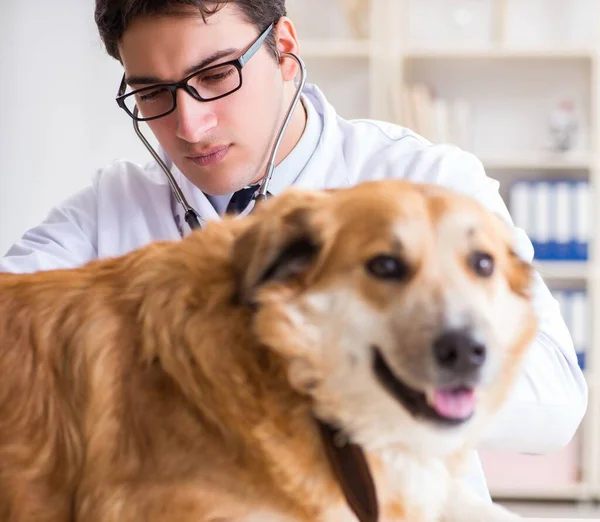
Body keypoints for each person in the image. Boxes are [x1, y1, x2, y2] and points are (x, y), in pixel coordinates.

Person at [0, 0, 587, 501]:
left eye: (216, 75)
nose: (191, 125)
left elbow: (554, 404)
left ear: (283, 48)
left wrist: (299, 347)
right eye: (153, 93)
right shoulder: (111, 209)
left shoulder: (424, 181)